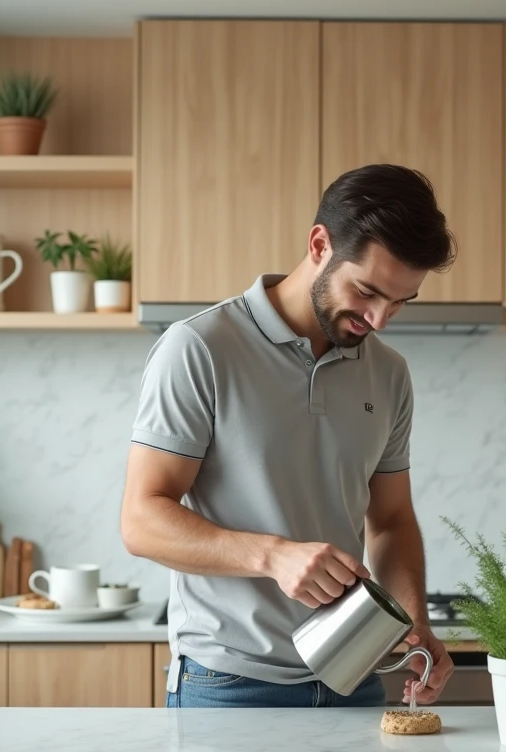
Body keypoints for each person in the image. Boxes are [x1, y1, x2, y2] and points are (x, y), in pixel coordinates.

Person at [120, 163, 457, 709]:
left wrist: (413, 622)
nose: (380, 319)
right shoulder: (200, 348)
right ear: (320, 245)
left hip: (353, 676)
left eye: (400, 301)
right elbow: (141, 521)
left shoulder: (389, 373)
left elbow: (392, 520)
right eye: (367, 291)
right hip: (229, 684)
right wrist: (272, 556)